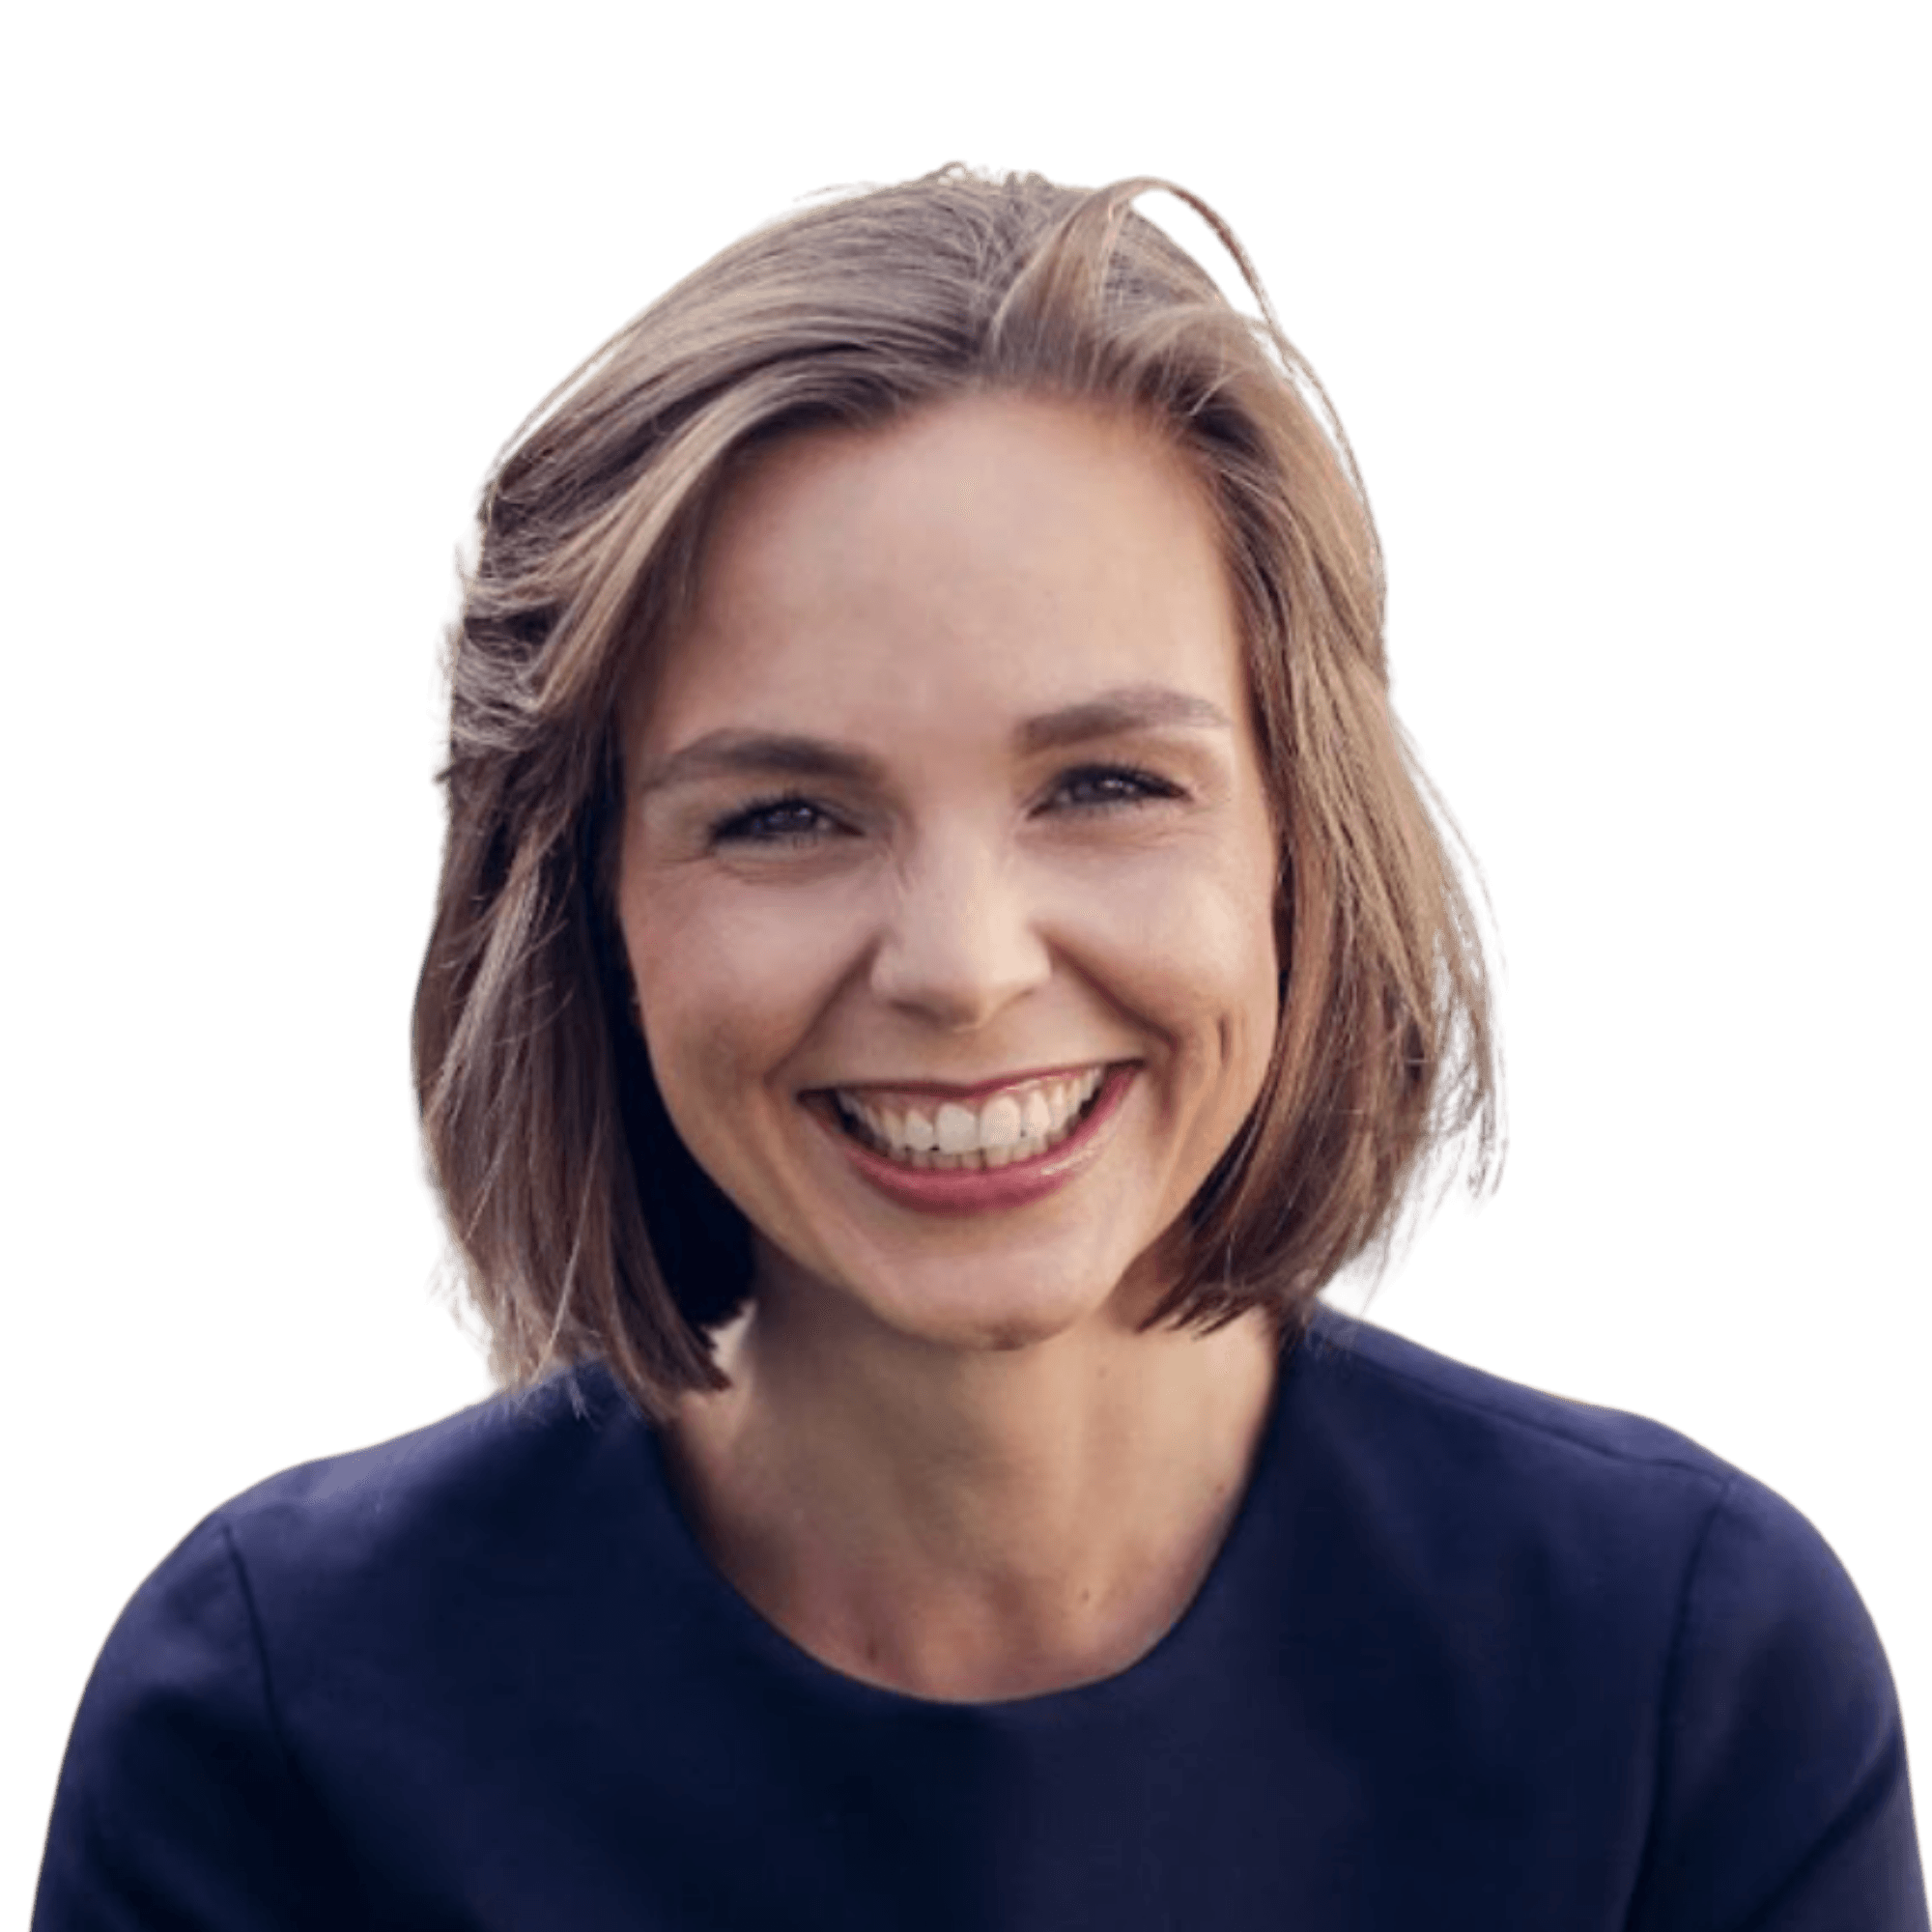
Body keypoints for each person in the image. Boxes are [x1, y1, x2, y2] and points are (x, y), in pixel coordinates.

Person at [32, 161, 1928, 1929]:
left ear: (1297, 844)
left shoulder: (1685, 1671)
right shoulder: (271, 1726)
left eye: (1103, 783)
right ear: (584, 909)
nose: (959, 966)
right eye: (782, 813)